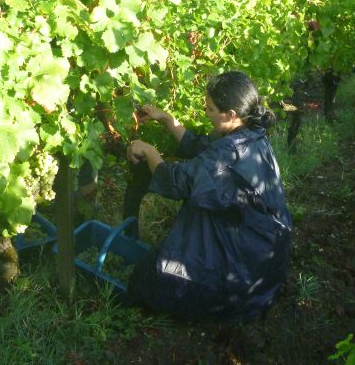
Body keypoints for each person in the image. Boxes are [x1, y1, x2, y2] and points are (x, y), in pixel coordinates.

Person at [125, 71, 292, 322]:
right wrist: (167, 120)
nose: (206, 113)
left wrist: (148, 151)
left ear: (231, 115)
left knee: (154, 274)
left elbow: (177, 181)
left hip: (245, 267)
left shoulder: (229, 153)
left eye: (210, 109)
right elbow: (203, 147)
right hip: (265, 255)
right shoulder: (251, 134)